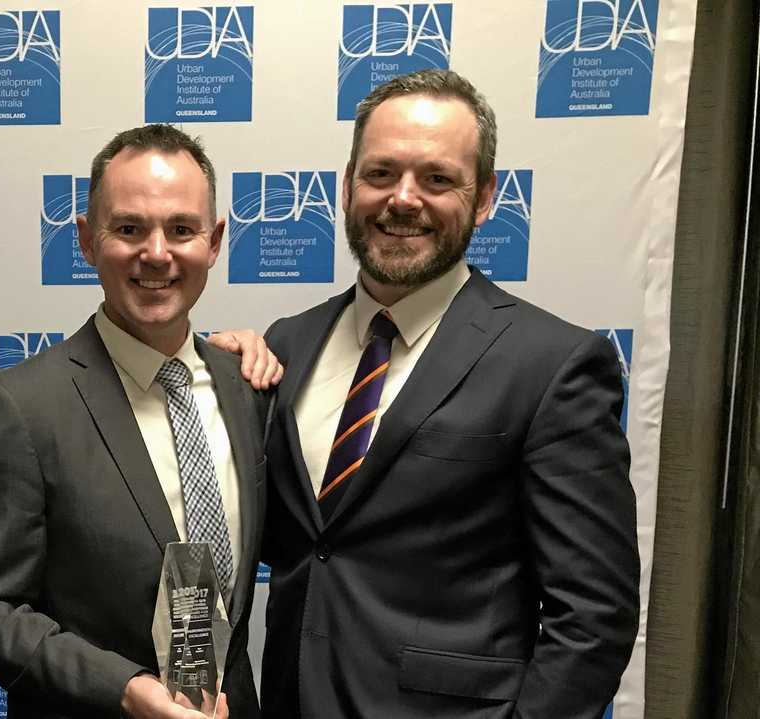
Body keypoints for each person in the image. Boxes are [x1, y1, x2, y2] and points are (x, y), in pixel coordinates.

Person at [260, 69, 640, 718]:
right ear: (346, 184)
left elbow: (594, 614)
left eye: (437, 179)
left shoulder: (553, 364)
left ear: (486, 197)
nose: (402, 199)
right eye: (380, 174)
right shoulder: (289, 344)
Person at [0, 124, 269, 719]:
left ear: (215, 240)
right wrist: (125, 690)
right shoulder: (18, 405)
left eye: (181, 229)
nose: (156, 253)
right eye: (128, 229)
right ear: (87, 241)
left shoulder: (246, 388)